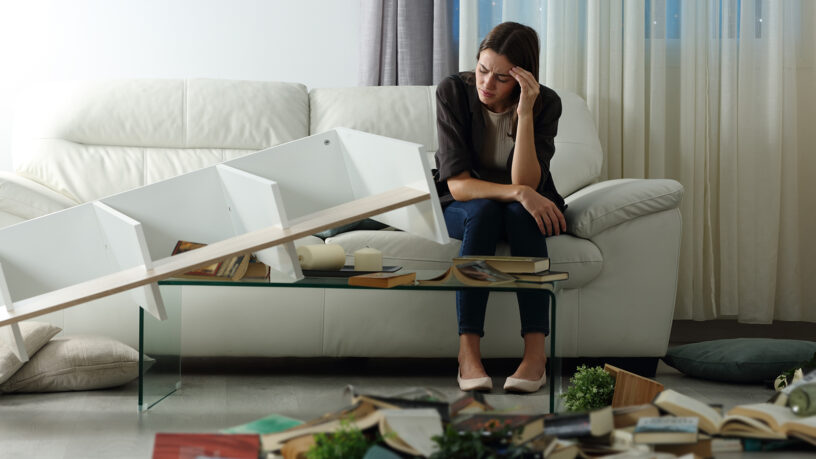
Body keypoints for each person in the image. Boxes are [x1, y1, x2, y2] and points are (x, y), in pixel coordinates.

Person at [434, 21, 566, 393]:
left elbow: (527, 182)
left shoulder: (546, 103)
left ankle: (535, 356)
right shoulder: (452, 92)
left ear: (523, 79)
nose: (486, 85)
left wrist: (525, 113)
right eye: (482, 70)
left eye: (502, 78)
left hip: (519, 207)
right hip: (468, 204)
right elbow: (458, 186)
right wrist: (519, 193)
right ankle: (468, 352)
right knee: (487, 211)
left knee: (519, 213)